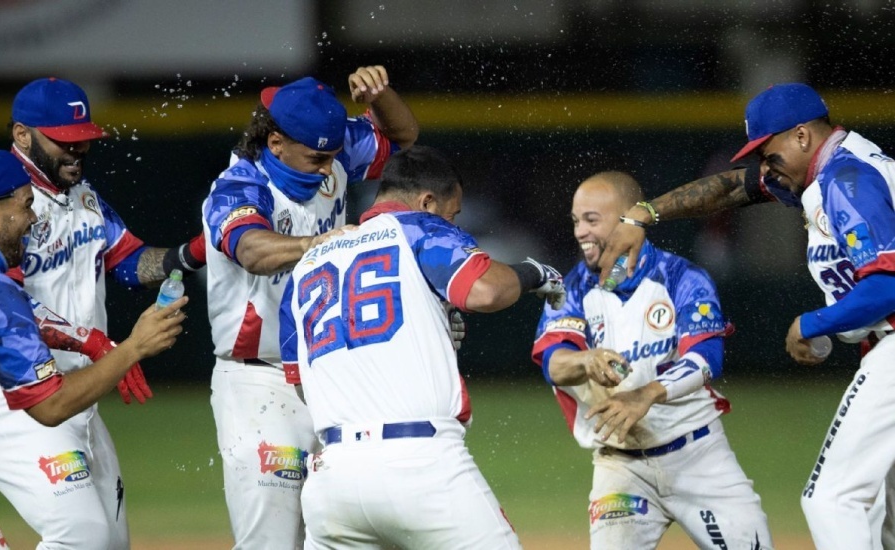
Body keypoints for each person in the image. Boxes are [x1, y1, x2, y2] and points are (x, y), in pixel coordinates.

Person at [597, 83, 895, 549]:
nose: (764, 165)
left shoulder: (847, 181)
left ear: (801, 136)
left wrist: (814, 322)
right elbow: (735, 187)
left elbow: (889, 285)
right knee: (883, 511)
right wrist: (644, 215)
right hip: (882, 345)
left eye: (768, 151)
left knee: (832, 498)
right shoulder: (830, 170)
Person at [277, 145, 564, 549]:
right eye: (452, 212)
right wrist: (532, 272)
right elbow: (485, 290)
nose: (453, 221)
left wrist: (426, 329)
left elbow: (304, 383)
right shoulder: (416, 227)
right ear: (427, 202)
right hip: (420, 466)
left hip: (332, 480)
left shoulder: (306, 266)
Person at [0, 77, 206, 549]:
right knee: (82, 537)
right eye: (64, 142)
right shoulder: (1, 205)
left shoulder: (82, 195)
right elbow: (0, 303)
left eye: (84, 142)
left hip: (78, 396)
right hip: (16, 400)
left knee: (110, 544)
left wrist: (196, 251)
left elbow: (130, 262)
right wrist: (93, 341)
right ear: (21, 135)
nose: (77, 152)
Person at [0, 151, 186, 549]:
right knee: (85, 535)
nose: (34, 218)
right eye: (26, 206)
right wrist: (133, 347)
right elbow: (50, 406)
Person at [202, 65, 419, 548]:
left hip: (328, 374)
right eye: (317, 157)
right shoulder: (238, 185)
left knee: (349, 531)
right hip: (259, 378)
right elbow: (253, 251)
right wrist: (322, 243)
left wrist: (381, 96)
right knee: (274, 540)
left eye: (334, 156)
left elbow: (403, 136)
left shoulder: (330, 150)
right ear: (275, 142)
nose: (329, 168)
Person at [532, 171, 772, 549]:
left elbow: (707, 358)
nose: (580, 232)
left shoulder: (682, 278)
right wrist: (584, 360)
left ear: (628, 217)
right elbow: (553, 363)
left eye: (592, 220)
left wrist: (646, 394)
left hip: (699, 457)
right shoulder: (572, 289)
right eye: (576, 221)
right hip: (621, 467)